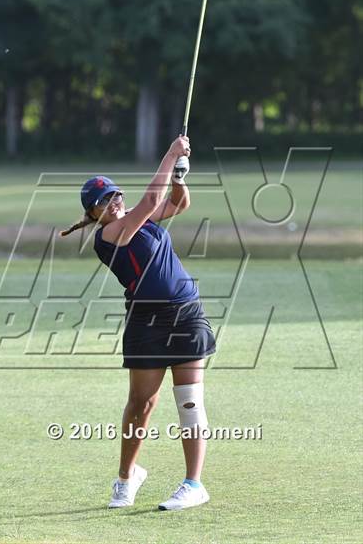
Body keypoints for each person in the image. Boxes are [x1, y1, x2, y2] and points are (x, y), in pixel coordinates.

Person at [61, 136, 216, 511]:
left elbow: (177, 203)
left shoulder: (141, 222)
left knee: (189, 401)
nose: (113, 201)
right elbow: (149, 202)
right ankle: (127, 478)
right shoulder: (109, 236)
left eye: (115, 194)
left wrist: (179, 176)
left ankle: (193, 484)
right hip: (146, 323)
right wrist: (170, 153)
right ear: (94, 213)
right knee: (140, 404)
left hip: (185, 314)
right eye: (104, 201)